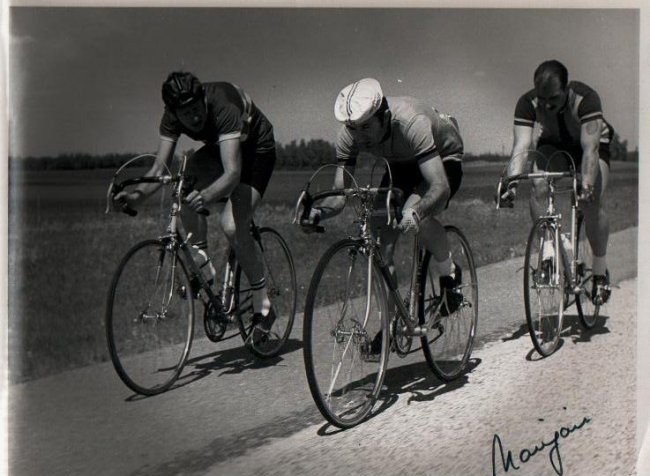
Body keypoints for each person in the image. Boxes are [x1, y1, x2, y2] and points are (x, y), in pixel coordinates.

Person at [302, 77, 465, 354]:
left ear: (385, 117)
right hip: (400, 163)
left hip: (442, 157)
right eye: (353, 129)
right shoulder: (349, 135)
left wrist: (417, 211)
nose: (360, 136)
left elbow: (439, 186)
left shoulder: (412, 122)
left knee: (416, 217)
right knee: (381, 246)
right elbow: (341, 195)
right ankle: (390, 326)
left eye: (366, 127)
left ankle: (448, 272)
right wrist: (317, 213)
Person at [113, 71, 277, 344]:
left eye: (196, 109)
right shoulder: (171, 118)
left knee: (232, 225)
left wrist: (209, 195)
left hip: (257, 150)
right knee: (182, 187)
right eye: (185, 114)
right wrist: (134, 198)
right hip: (223, 147)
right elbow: (159, 168)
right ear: (173, 113)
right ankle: (205, 268)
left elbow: (233, 173)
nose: (194, 118)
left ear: (203, 98)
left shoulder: (223, 103)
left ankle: (264, 307)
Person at [498, 60, 613, 305]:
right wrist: (511, 183)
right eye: (543, 99)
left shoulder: (586, 99)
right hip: (555, 145)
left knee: (593, 201)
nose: (548, 105)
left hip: (591, 146)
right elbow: (521, 146)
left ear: (566, 89)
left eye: (554, 98)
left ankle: (600, 272)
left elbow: (590, 150)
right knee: (538, 183)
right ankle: (548, 249)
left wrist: (587, 184)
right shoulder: (527, 104)